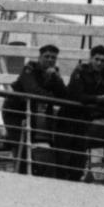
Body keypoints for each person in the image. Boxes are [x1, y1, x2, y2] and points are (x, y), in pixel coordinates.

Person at [11, 43, 71, 175]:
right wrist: (51, 97)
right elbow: (32, 89)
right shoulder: (30, 68)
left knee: (34, 143)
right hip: (16, 111)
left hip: (33, 113)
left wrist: (56, 78)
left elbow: (65, 96)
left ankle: (35, 173)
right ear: (39, 57)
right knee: (19, 142)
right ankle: (20, 173)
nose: (50, 60)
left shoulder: (53, 73)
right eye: (47, 56)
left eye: (53, 58)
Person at [67, 44, 104, 183]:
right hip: (75, 116)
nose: (99, 63)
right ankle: (76, 177)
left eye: (103, 60)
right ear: (90, 59)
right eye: (96, 59)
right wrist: (99, 99)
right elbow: (77, 96)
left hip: (91, 115)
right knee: (78, 152)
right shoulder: (80, 71)